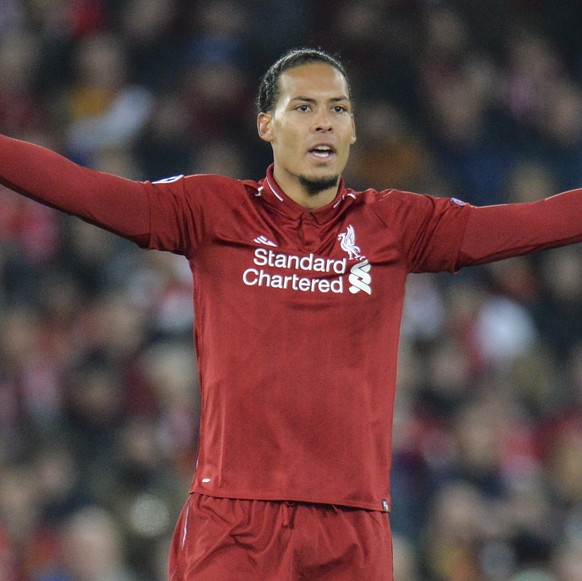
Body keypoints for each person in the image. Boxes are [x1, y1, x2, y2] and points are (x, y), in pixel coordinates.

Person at [2, 47, 582, 580]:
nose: (323, 121)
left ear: (353, 130)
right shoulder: (212, 210)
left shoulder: (396, 226)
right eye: (302, 106)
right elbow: (85, 190)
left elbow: (529, 224)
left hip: (351, 526)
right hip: (233, 522)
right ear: (266, 125)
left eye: (338, 108)